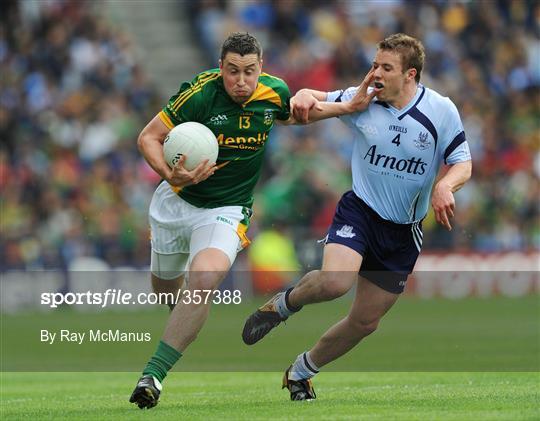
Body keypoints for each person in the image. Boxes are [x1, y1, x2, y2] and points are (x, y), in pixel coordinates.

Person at [242, 33, 472, 401]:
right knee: (336, 282)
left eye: (386, 68)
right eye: (374, 64)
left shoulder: (440, 110)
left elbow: (463, 162)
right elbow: (306, 107)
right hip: (361, 211)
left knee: (365, 322)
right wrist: (303, 95)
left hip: (403, 231)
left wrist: (445, 186)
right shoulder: (362, 97)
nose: (375, 73)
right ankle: (284, 304)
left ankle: (300, 372)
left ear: (410, 74)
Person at [129, 32, 296, 409]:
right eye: (233, 71)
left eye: (249, 71)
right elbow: (148, 138)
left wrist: (348, 104)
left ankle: (152, 376)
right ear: (220, 68)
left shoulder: (275, 94)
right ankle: (187, 317)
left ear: (260, 68)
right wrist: (170, 174)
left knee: (203, 280)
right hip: (176, 202)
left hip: (227, 208)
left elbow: (302, 112)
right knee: (165, 291)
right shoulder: (200, 94)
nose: (241, 80)